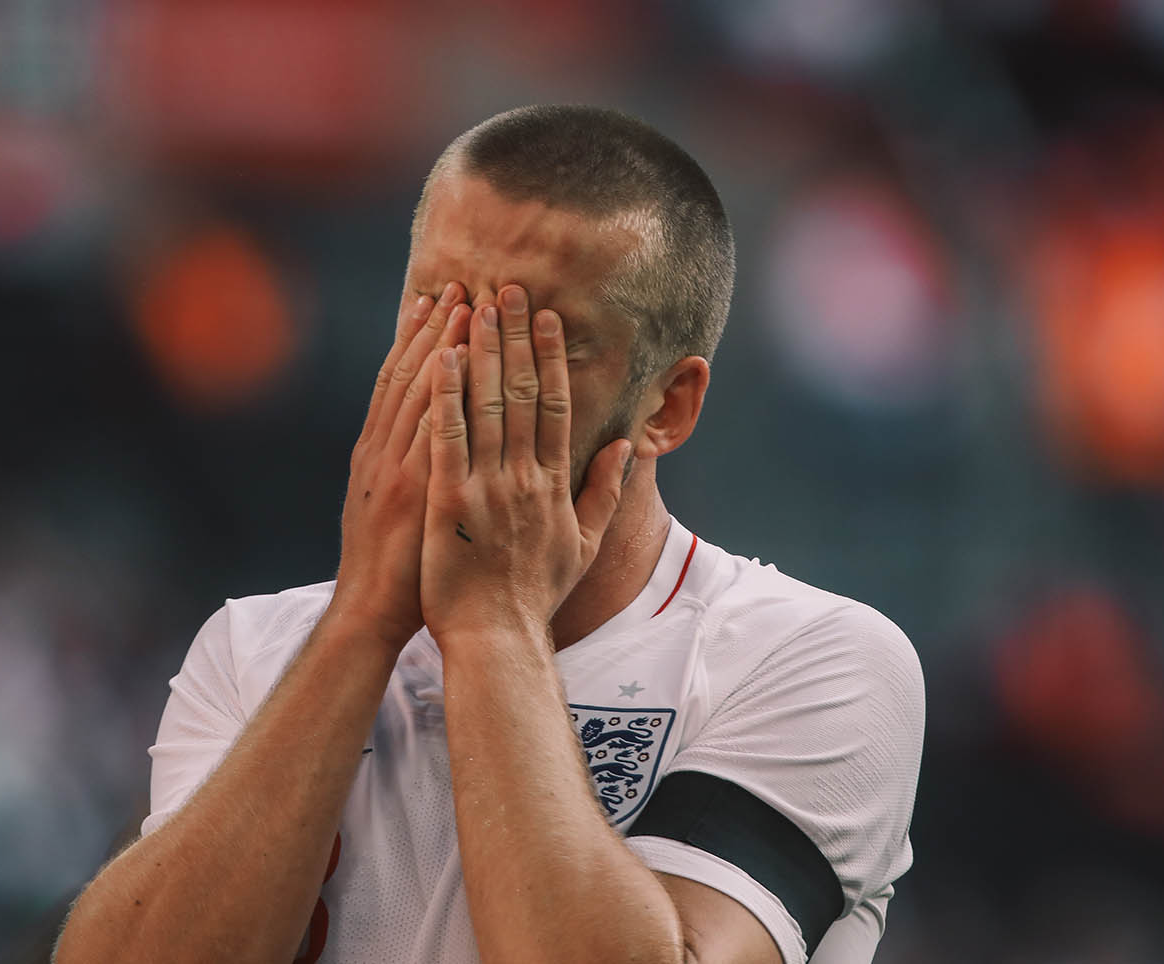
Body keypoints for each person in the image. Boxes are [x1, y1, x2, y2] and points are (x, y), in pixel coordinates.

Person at [54, 105, 924, 964]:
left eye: (545, 339)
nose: (468, 373)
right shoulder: (255, 648)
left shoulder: (814, 660)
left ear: (669, 404)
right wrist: (362, 621)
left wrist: (494, 624)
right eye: (439, 310)